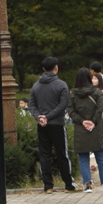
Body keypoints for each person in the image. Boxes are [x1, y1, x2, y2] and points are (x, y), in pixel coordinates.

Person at [29, 56, 76, 193]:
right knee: (62, 154)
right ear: (56, 67)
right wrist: (48, 116)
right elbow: (62, 105)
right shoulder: (61, 85)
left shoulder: (36, 86)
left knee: (44, 154)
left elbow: (31, 105)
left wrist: (39, 117)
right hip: (57, 124)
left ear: (43, 69)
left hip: (42, 125)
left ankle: (48, 185)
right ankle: (68, 183)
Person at [69, 67, 103, 193]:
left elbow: (71, 111)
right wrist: (93, 121)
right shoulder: (96, 92)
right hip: (96, 128)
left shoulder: (73, 93)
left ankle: (87, 184)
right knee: (101, 156)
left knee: (83, 157)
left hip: (80, 128)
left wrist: (82, 121)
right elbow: (101, 107)